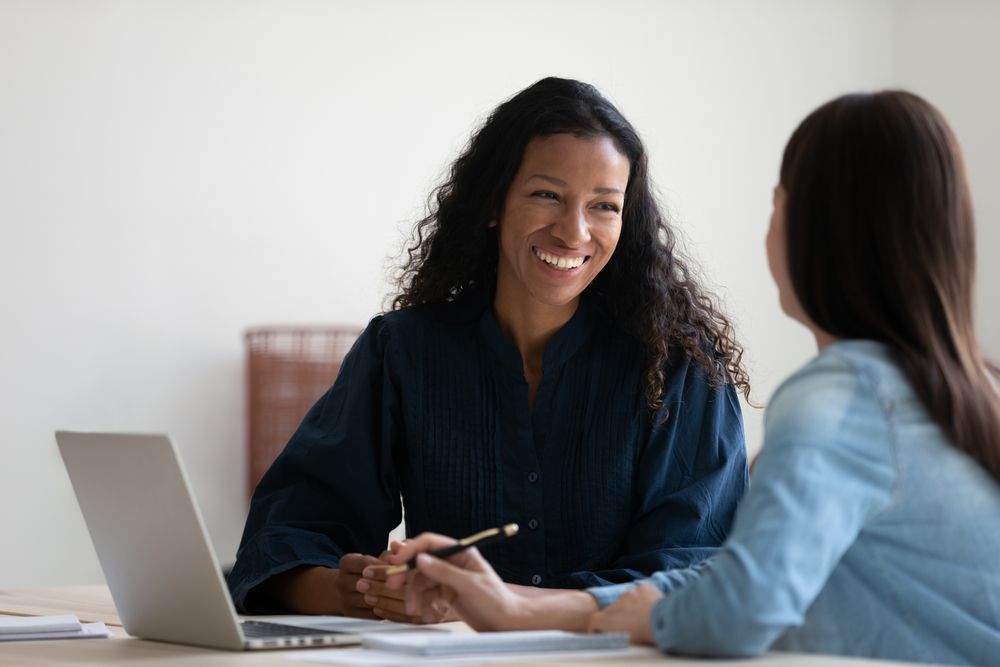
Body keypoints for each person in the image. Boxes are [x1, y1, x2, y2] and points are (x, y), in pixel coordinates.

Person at [380, 90, 1000, 665]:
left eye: (777, 202)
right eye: (547, 195)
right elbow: (738, 584)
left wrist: (523, 610)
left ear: (810, 230)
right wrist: (519, 607)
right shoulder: (968, 389)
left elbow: (738, 608)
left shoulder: (838, 399)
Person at [226, 77, 751, 623]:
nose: (574, 232)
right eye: (547, 194)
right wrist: (368, 592)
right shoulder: (402, 351)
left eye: (603, 206)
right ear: (494, 202)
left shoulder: (682, 369)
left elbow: (697, 572)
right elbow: (281, 541)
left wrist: (492, 604)